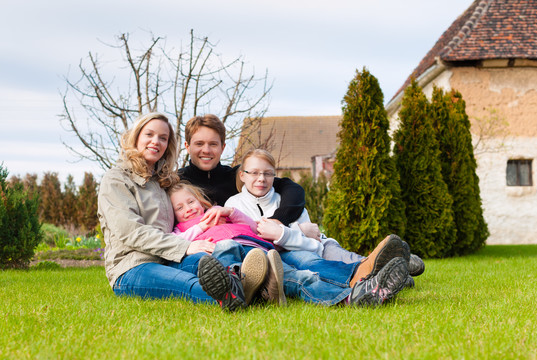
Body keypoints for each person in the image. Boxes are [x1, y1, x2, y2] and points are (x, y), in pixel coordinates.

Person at [168, 181, 410, 307]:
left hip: (260, 252)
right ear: (174, 215)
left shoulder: (223, 214)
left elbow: (254, 227)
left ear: (200, 201)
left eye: (190, 202)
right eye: (179, 208)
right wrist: (200, 227)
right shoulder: (182, 230)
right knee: (226, 247)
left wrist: (229, 211)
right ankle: (232, 288)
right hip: (231, 256)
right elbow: (177, 242)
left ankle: (352, 296)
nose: (188, 208)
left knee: (301, 276)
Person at [97, 112, 247, 312]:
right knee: (189, 283)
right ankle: (236, 298)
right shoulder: (116, 180)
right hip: (132, 267)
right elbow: (131, 232)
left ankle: (250, 285)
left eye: (163, 138)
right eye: (149, 134)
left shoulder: (163, 182)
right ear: (136, 137)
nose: (155, 142)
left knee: (210, 263)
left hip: (168, 259)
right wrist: (185, 246)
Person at [225, 148, 423, 286]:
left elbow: (314, 242)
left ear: (274, 176)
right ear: (242, 175)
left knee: (351, 259)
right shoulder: (234, 205)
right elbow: (248, 239)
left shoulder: (285, 200)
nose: (261, 179)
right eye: (255, 173)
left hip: (320, 247)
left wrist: (282, 234)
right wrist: (298, 231)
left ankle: (396, 267)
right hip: (298, 255)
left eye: (268, 174)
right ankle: (391, 273)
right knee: (330, 267)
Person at [178, 114, 305, 226]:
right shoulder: (177, 181)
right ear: (187, 147)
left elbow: (292, 189)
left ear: (222, 147)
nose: (206, 150)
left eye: (213, 144)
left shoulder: (239, 177)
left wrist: (279, 219)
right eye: (199, 144)